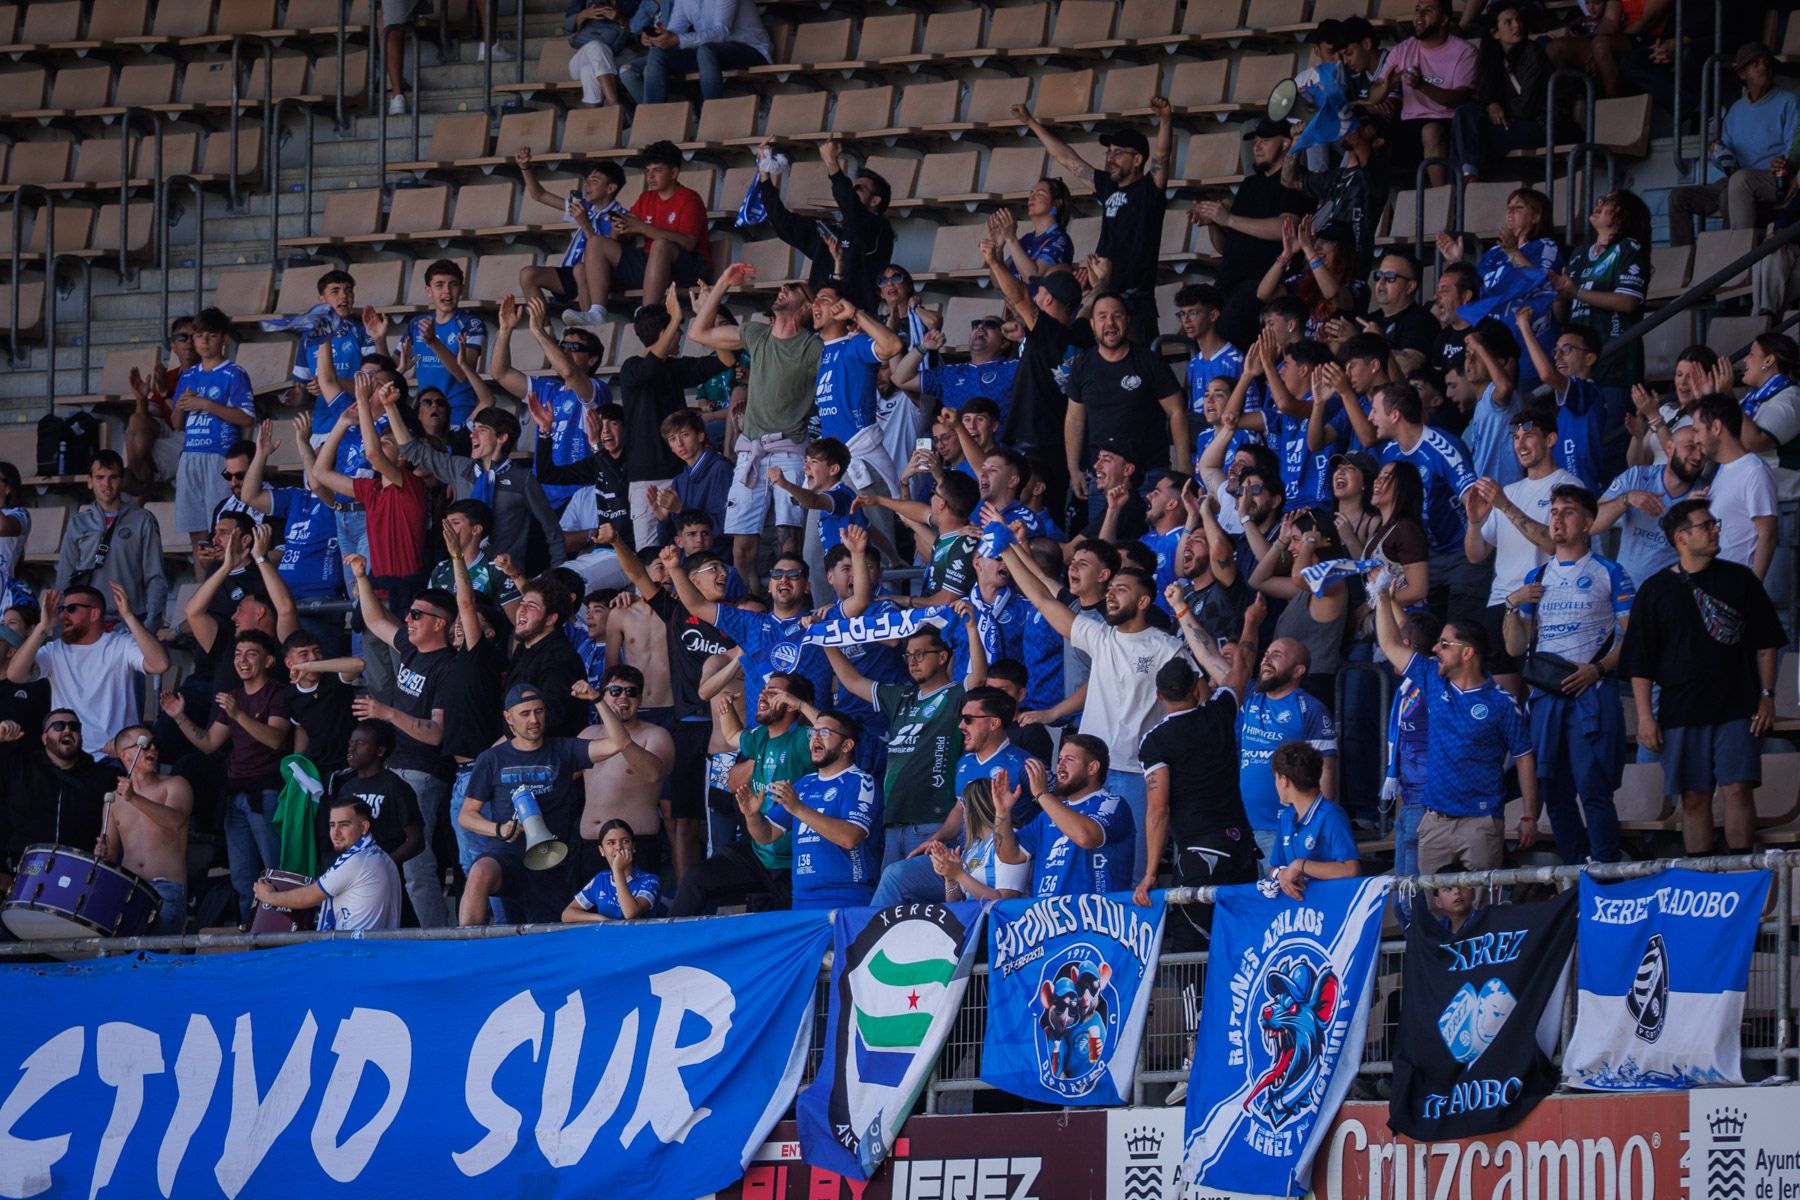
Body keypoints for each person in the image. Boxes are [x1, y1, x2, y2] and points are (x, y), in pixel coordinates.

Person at [1620, 498, 1786, 856]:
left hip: (1738, 706)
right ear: (1681, 537)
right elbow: (1640, 662)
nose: (1715, 530)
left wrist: (1768, 695)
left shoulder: (1739, 578)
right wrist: (1646, 718)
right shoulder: (1654, 590)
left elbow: (1767, 642)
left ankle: (1741, 875)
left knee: (1737, 789)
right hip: (1681, 711)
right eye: (1706, 525)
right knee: (1693, 798)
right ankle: (1702, 879)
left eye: (1714, 524)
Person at [1005, 554, 1176, 874]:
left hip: (1135, 773)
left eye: (1121, 589)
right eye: (1110, 588)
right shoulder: (1100, 637)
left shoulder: (1165, 647)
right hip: (1089, 774)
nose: (1110, 594)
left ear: (1143, 601)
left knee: (1131, 872)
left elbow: (1191, 701)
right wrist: (1005, 550)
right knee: (1081, 863)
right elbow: (1041, 599)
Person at [1502, 485, 1632, 864]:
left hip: (1591, 692)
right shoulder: (1537, 575)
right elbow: (1514, 647)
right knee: (1553, 792)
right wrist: (1513, 604)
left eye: (1568, 511)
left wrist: (1598, 669)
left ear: (1589, 523)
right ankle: (1575, 871)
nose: (1557, 518)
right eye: (1554, 511)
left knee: (1593, 787)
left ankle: (1607, 870)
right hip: (1545, 696)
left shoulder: (1610, 571)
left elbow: (1632, 633)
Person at [1371, 581, 1537, 875]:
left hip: (1481, 821)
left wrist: (1529, 816)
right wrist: (1382, 595)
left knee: (1480, 911)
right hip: (1434, 821)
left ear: (1468, 653)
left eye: (1445, 644)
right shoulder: (1433, 681)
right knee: (1432, 911)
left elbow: (1523, 756)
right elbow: (1390, 645)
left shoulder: (1501, 702)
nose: (1436, 648)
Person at [690, 263, 820, 583]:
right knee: (741, 548)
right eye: (784, 286)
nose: (783, 289)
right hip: (751, 450)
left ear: (806, 307)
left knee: (788, 539)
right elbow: (699, 333)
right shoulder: (757, 333)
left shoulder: (812, 347)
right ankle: (752, 605)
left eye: (793, 288)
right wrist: (722, 284)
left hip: (790, 447)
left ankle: (792, 606)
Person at [344, 556, 453, 925]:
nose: (408, 619)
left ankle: (437, 942)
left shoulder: (446, 666)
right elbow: (376, 621)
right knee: (385, 859)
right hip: (396, 768)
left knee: (416, 867)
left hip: (423, 771)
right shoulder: (411, 647)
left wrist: (386, 713)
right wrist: (362, 577)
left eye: (417, 615)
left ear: (440, 623)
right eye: (408, 614)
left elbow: (437, 732)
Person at [1013, 97, 1173, 343]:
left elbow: (1162, 155)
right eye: (1109, 153)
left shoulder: (1148, 190)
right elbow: (1067, 159)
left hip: (1135, 300)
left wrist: (1165, 120)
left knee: (1141, 369)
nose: (1110, 158)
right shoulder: (1107, 186)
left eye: (1118, 153)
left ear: (1138, 159)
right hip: (1103, 293)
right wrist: (1031, 122)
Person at [160, 629, 292, 923]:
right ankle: (250, 934)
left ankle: (283, 935)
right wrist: (179, 716)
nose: (241, 660)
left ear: (269, 661)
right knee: (242, 879)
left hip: (267, 794)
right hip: (235, 796)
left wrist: (239, 715)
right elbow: (209, 743)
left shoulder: (277, 692)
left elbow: (275, 739)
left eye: (251, 653)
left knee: (276, 873)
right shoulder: (233, 696)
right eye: (237, 653)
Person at [870, 684, 1040, 906]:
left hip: (1006, 865)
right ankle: (872, 937)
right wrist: (935, 839)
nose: (961, 726)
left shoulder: (1025, 764)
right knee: (895, 874)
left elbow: (1053, 810)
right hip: (967, 857)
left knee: (897, 875)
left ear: (993, 723)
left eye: (968, 719)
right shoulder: (964, 763)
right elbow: (960, 809)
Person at [1135, 654, 1257, 948]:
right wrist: (1252, 623)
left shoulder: (1156, 740)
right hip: (1242, 848)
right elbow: (1239, 671)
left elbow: (1158, 809)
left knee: (1193, 950)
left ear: (1158, 695)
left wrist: (1150, 873)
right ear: (1195, 689)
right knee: (1240, 944)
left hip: (1201, 854)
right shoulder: (1219, 712)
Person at [669, 671, 812, 915]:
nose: (763, 694)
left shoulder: (804, 738)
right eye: (764, 689)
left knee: (782, 924)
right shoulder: (760, 737)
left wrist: (801, 705)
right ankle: (671, 945)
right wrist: (726, 709)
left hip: (792, 858)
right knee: (697, 875)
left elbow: (829, 731)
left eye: (773, 692)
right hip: (719, 769)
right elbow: (731, 755)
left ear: (791, 703)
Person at [826, 625, 964, 871]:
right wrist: (825, 639)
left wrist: (972, 629)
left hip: (934, 821)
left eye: (920, 654)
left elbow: (978, 677)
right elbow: (852, 680)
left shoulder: (958, 694)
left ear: (942, 657)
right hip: (893, 823)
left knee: (919, 902)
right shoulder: (901, 696)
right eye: (908, 656)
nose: (912, 662)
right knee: (892, 905)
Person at [1464, 407, 1576, 695]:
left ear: (1551, 439)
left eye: (1528, 436)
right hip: (1501, 603)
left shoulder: (1567, 486)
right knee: (1507, 705)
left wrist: (1505, 506)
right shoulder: (1510, 491)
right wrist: (1474, 523)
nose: (1520, 444)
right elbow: (1476, 555)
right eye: (1515, 437)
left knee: (1538, 699)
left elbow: (1555, 543)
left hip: (1544, 603)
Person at [389, 390, 563, 574]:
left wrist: (558, 573)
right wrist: (389, 406)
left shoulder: (523, 479)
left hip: (506, 576)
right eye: (474, 429)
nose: (473, 435)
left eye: (482, 430)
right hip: (463, 571)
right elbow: (412, 450)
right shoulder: (461, 467)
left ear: (501, 438)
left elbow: (551, 529)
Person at [6, 583, 172, 757]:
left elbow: (160, 664)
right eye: (62, 609)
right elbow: (15, 675)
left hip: (114, 755)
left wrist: (129, 616)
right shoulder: (54, 650)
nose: (63, 615)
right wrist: (42, 626)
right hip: (69, 756)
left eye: (71, 609)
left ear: (94, 613)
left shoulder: (121, 644)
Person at [742, 708, 881, 910]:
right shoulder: (804, 784)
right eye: (813, 732)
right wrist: (752, 816)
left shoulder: (860, 781)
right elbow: (767, 835)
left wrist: (799, 809)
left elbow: (850, 837)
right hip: (801, 900)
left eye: (824, 733)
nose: (815, 738)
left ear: (847, 745)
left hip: (847, 899)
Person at [1191, 119, 1313, 347]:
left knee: (1228, 330)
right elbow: (1225, 247)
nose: (1256, 146)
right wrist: (1213, 223)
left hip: (1263, 286)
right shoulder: (1249, 184)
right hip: (1227, 282)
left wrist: (1228, 218)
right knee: (1194, 319)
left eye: (1265, 141)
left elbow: (1286, 228)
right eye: (1255, 141)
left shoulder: (1295, 182)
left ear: (1286, 144)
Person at [1667, 44, 1798, 245]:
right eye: (1755, 64)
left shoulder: (1789, 101)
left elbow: (1794, 147)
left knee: (1736, 186)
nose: (1763, 67)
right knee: (1678, 198)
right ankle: (1683, 262)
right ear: (1742, 73)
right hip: (1736, 179)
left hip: (1771, 179)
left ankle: (1734, 257)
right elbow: (1726, 151)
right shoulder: (1737, 110)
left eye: (1765, 62)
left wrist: (1785, 163)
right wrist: (1716, 149)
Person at [495, 296, 611, 512]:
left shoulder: (596, 388)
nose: (565, 351)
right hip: (542, 497)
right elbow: (501, 373)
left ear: (593, 359)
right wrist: (504, 330)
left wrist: (538, 331)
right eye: (562, 346)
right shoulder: (547, 388)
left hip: (578, 498)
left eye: (574, 347)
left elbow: (569, 371)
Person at [1064, 293, 1191, 489]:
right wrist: (1074, 470)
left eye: (1117, 315)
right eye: (1102, 316)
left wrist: (1183, 468)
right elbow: (1074, 419)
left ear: (1128, 320)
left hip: (1150, 472)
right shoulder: (1082, 365)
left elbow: (1177, 411)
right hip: (1102, 475)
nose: (1110, 323)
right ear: (1092, 324)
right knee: (1103, 522)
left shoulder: (1149, 362)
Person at [755, 138, 896, 314]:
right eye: (851, 188)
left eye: (858, 189)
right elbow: (782, 223)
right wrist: (764, 172)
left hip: (857, 323)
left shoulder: (878, 229)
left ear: (875, 200)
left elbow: (853, 209)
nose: (851, 192)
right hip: (820, 323)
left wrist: (831, 163)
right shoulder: (830, 233)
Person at [1555, 191, 1652, 436]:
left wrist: (1576, 292)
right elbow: (1563, 314)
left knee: (1607, 445)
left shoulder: (1629, 247)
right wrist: (1558, 294)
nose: (1598, 203)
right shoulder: (1579, 253)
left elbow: (1628, 301)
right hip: (1577, 367)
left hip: (1614, 364)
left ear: (1623, 216)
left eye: (1608, 203)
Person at [994, 737, 1136, 897]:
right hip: (1047, 917)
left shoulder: (1112, 803)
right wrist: (1002, 812)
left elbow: (1085, 837)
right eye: (1060, 759)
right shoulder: (1048, 814)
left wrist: (1042, 794)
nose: (1060, 766)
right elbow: (1010, 855)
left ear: (1092, 768)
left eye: (1069, 759)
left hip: (1093, 916)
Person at [572, 664, 675, 881]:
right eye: (615, 691)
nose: (623, 698)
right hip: (591, 847)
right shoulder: (588, 734)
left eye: (631, 692)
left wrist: (621, 739)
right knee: (586, 915)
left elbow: (654, 773)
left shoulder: (655, 735)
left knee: (634, 914)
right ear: (603, 695)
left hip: (634, 844)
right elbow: (561, 776)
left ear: (640, 698)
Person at [581, 140, 712, 309]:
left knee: (660, 245)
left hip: (687, 271)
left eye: (657, 171)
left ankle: (648, 312)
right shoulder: (646, 198)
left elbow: (688, 243)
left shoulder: (689, 198)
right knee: (596, 242)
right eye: (648, 171)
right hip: (650, 266)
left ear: (673, 173)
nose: (650, 177)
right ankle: (597, 310)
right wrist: (619, 230)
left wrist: (643, 227)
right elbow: (623, 238)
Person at [169, 307, 257, 556]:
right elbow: (176, 423)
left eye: (212, 335)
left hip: (219, 456)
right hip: (190, 456)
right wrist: (183, 405)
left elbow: (247, 418)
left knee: (221, 530)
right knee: (197, 536)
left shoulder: (234, 373)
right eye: (198, 335)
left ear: (224, 338)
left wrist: (207, 405)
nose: (204, 341)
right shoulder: (188, 375)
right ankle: (202, 589)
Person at [1365, 0, 1477, 186]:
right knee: (1364, 133)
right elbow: (1373, 96)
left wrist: (1422, 85)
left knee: (1430, 131)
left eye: (1428, 11)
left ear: (1444, 20)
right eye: (1418, 10)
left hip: (1448, 122)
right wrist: (1388, 84)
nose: (1419, 16)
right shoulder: (1403, 49)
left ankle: (1441, 201)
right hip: (1409, 123)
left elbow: (1459, 98)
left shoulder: (1464, 51)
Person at [94, 725, 192, 936]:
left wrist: (134, 798)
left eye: (154, 744)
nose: (153, 749)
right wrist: (101, 854)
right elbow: (111, 856)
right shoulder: (113, 799)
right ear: (124, 755)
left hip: (165, 888)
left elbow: (175, 821)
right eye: (144, 745)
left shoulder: (175, 784)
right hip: (127, 887)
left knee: (154, 957)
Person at [53, 451, 168, 626]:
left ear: (122, 480)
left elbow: (155, 576)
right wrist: (63, 623)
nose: (106, 484)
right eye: (99, 477)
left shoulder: (143, 519)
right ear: (89, 482)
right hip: (86, 620)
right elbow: (64, 577)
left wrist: (151, 623)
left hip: (130, 620)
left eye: (113, 477)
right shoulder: (78, 523)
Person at [254, 798, 402, 932]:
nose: (335, 832)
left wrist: (268, 896)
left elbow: (308, 897)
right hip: (374, 952)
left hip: (354, 954)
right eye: (332, 825)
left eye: (344, 825)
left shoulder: (357, 861)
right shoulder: (382, 857)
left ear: (364, 827)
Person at [3, 709, 120, 874]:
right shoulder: (21, 768)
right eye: (58, 726)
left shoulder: (102, 776)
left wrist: (123, 751)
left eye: (74, 727)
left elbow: (138, 787)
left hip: (79, 872)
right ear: (44, 738)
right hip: (23, 869)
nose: (67, 730)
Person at [517, 153, 630, 321]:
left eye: (594, 181)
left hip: (601, 277)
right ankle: (543, 331)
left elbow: (604, 256)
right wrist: (524, 167)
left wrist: (584, 223)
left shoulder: (620, 217)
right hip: (573, 271)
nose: (587, 185)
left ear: (610, 188)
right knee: (528, 274)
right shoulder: (584, 206)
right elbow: (539, 195)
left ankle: (591, 326)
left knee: (580, 269)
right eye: (587, 180)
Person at [1595, 422, 1706, 592]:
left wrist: (1691, 517)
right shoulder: (1637, 476)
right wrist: (1626, 499)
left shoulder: (1704, 495)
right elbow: (1591, 523)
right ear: (1669, 448)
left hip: (1668, 598)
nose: (1698, 456)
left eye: (1702, 450)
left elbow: (1703, 557)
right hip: (1624, 592)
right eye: (1690, 447)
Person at [1450, 0, 1550, 182]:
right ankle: (1468, 175)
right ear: (1494, 33)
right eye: (1508, 22)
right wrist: (1490, 104)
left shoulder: (1532, 53)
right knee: (1465, 114)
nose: (1516, 25)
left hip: (1537, 125)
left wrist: (1496, 106)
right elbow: (1484, 95)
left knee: (1468, 142)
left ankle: (1466, 182)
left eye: (1518, 20)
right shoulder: (1491, 59)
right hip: (1509, 124)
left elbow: (1527, 107)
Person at [1691, 391, 1778, 581]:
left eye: (1697, 430)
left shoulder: (1754, 471)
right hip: (1717, 586)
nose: (1695, 439)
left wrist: (1753, 591)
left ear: (1716, 427)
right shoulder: (1723, 469)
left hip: (1738, 592)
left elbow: (1768, 535)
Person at [321, 719, 424, 876]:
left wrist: (384, 863)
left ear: (380, 751)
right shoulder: (346, 788)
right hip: (351, 873)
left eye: (360, 744)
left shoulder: (395, 787)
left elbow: (416, 841)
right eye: (351, 743)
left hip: (384, 876)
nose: (352, 749)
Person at [623, 0, 772, 104]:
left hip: (751, 50)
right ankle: (654, 120)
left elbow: (721, 33)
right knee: (658, 53)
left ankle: (712, 114)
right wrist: (658, 37)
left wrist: (677, 39)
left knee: (706, 50)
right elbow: (675, 30)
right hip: (708, 54)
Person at [1265, 741, 1360, 899]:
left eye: (1275, 778)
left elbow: (1351, 870)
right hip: (1299, 914)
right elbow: (1274, 866)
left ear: (1284, 780)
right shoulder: (1286, 817)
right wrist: (1279, 874)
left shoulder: (1332, 816)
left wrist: (1301, 865)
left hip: (1331, 908)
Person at [399, 261, 488, 430]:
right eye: (439, 285)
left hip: (458, 414)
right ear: (428, 291)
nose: (447, 291)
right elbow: (394, 367)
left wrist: (433, 342)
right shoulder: (416, 324)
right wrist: (380, 339)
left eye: (453, 285)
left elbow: (464, 374)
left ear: (461, 289)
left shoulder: (472, 324)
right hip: (425, 416)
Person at [123, 315, 200, 494]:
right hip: (166, 431)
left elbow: (185, 420)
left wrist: (166, 394)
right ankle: (136, 473)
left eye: (193, 336)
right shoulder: (169, 376)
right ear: (173, 346)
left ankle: (137, 484)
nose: (188, 342)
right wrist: (141, 399)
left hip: (191, 434)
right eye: (182, 337)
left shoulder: (206, 373)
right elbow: (148, 418)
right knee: (136, 418)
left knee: (142, 457)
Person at [564, 819, 661, 920]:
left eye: (625, 841)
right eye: (611, 843)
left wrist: (617, 870)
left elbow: (630, 913)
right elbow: (567, 915)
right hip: (608, 935)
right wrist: (599, 918)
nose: (619, 847)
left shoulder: (650, 880)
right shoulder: (600, 879)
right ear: (602, 850)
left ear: (633, 846)